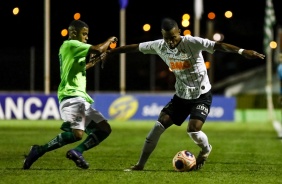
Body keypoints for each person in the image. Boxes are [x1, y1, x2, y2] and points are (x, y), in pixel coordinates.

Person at [104, 18, 265, 171]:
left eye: (174, 37)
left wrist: (242, 51)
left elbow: (218, 45)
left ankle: (206, 149)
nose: (171, 42)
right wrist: (111, 53)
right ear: (163, 35)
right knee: (158, 126)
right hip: (181, 96)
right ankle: (140, 165)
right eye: (167, 38)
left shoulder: (192, 42)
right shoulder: (158, 46)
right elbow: (134, 47)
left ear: (179, 32)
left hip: (201, 94)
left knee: (193, 130)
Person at [23, 20, 118, 170]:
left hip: (80, 98)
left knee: (104, 128)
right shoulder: (71, 44)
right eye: (84, 34)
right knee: (77, 134)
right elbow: (98, 49)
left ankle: (77, 151)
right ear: (73, 33)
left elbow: (78, 68)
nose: (86, 37)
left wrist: (93, 62)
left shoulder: (71, 48)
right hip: (72, 97)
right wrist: (110, 40)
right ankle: (39, 150)